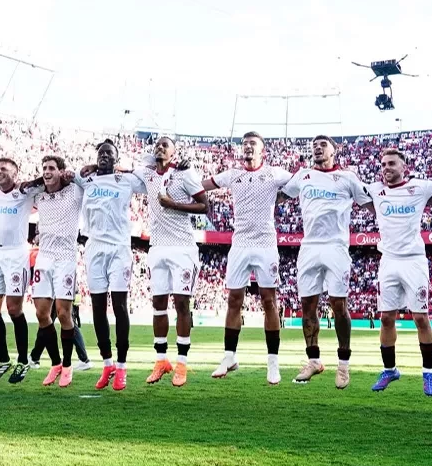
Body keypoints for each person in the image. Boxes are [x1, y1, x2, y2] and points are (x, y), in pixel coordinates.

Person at [202, 131, 294, 384]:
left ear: (263, 150)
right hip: (240, 242)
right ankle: (229, 356)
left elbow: (299, 184)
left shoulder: (275, 174)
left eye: (253, 143)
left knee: (269, 301)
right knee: (234, 299)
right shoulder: (233, 175)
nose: (248, 147)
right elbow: (202, 185)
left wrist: (283, 196)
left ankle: (273, 363)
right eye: (245, 144)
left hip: (265, 243)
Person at [280, 135, 369, 388]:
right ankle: (314, 361)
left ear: (334, 151)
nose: (317, 148)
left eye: (323, 145)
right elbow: (278, 197)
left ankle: (343, 364)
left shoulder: (347, 178)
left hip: (336, 248)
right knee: (307, 307)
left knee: (338, 306)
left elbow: (370, 203)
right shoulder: (303, 175)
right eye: (314, 146)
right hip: (309, 247)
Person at [356, 148, 432, 396]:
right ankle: (390, 369)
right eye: (383, 164)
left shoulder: (420, 188)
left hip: (414, 261)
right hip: (388, 261)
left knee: (421, 318)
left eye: (392, 163)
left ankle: (428, 373)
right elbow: (355, 193)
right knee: (385, 318)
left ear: (405, 167)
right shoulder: (375, 190)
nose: (386, 167)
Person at [136, 135, 208, 388]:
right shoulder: (147, 173)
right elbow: (125, 167)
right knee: (158, 304)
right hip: (157, 248)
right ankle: (160, 360)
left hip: (182, 249)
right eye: (157, 144)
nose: (160, 147)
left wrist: (174, 204)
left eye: (165, 145)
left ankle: (181, 363)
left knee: (181, 304)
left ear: (174, 152)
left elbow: (204, 206)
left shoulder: (185, 174)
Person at [79, 140, 147, 391]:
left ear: (116, 158)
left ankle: (121, 366)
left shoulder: (126, 181)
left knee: (119, 305)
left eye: (109, 153)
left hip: (119, 248)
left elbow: (148, 174)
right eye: (101, 153)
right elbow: (66, 175)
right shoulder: (85, 179)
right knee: (97, 307)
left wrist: (127, 169)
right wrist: (87, 167)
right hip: (94, 247)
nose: (104, 156)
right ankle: (106, 363)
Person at [0, 158, 40, 382]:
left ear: (15, 174)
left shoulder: (24, 192)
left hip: (16, 254)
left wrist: (29, 182)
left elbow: (46, 182)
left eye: (4, 170)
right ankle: (4, 359)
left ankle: (23, 361)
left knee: (14, 309)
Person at [28, 156, 84, 387]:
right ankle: (55, 363)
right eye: (44, 169)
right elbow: (21, 188)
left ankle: (69, 365)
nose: (47, 172)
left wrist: (74, 174)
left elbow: (87, 178)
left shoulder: (75, 191)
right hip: (44, 257)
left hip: (66, 258)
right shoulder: (38, 194)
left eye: (52, 168)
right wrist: (35, 179)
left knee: (63, 314)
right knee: (42, 314)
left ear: (61, 171)